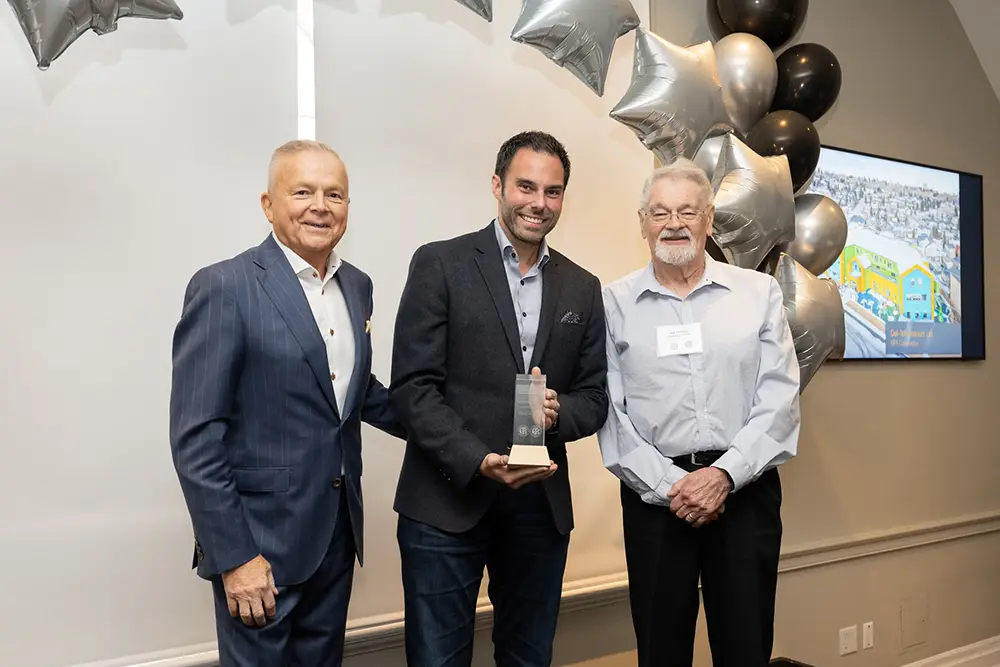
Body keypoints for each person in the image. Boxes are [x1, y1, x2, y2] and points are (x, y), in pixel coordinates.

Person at [169, 140, 404, 666]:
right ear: (268, 204)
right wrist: (235, 557)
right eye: (302, 191)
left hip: (335, 538)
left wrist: (458, 422)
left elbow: (353, 390)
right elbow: (195, 440)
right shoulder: (225, 286)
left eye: (335, 194)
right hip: (260, 548)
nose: (320, 205)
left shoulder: (357, 286)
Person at [389, 130, 609, 667]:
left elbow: (595, 396)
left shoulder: (583, 286)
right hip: (445, 502)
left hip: (538, 509)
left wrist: (556, 415)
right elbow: (412, 389)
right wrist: (477, 460)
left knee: (528, 659)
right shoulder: (440, 264)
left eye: (552, 191)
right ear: (497, 185)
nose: (538, 203)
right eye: (526, 186)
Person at [597, 158, 801, 667]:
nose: (674, 223)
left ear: (709, 219)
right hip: (653, 503)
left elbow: (779, 398)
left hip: (745, 496)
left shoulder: (758, 293)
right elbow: (610, 414)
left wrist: (723, 476)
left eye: (688, 211)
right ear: (642, 221)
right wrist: (673, 486)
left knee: (745, 648)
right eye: (660, 211)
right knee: (661, 652)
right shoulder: (614, 303)